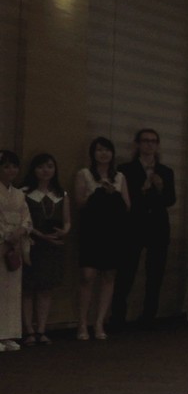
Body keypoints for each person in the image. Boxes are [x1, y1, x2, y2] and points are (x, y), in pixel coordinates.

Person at [114, 129, 177, 328]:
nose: (150, 144)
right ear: (137, 144)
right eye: (146, 141)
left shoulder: (165, 171)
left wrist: (160, 187)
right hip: (134, 225)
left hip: (158, 226)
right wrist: (143, 188)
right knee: (126, 271)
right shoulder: (125, 169)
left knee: (155, 273)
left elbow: (171, 200)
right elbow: (123, 199)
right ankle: (118, 316)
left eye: (153, 141)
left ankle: (149, 316)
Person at [74, 137, 129, 341]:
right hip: (91, 230)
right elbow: (79, 203)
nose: (103, 154)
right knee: (87, 275)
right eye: (99, 150)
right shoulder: (84, 174)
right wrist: (97, 192)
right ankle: (82, 323)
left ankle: (99, 323)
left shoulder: (120, 177)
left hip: (113, 231)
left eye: (107, 150)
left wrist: (112, 192)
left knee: (109, 275)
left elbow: (127, 206)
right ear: (93, 153)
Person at [20, 153, 70, 346]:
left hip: (53, 246)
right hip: (31, 245)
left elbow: (67, 221)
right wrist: (40, 235)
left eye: (49, 166)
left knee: (46, 289)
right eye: (41, 167)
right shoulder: (24, 192)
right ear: (34, 170)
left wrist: (64, 231)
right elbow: (23, 221)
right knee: (28, 288)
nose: (45, 170)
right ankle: (29, 330)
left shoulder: (61, 194)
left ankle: (41, 329)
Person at [0, 150, 30, 352]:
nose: (11, 170)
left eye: (14, 166)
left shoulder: (19, 194)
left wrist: (20, 231)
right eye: (6, 166)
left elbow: (26, 218)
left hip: (14, 244)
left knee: (12, 291)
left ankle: (8, 334)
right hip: (2, 241)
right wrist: (5, 235)